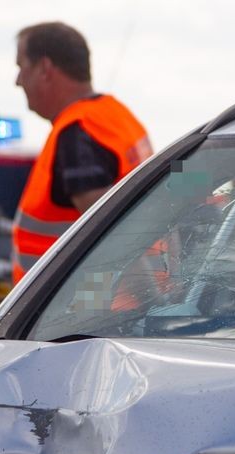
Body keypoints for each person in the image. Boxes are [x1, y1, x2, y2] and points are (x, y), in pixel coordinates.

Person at [11, 21, 152, 282]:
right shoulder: (117, 116)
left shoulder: (77, 134)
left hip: (97, 308)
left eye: (21, 67)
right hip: (120, 303)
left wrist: (77, 311)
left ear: (45, 69)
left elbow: (117, 239)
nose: (17, 80)